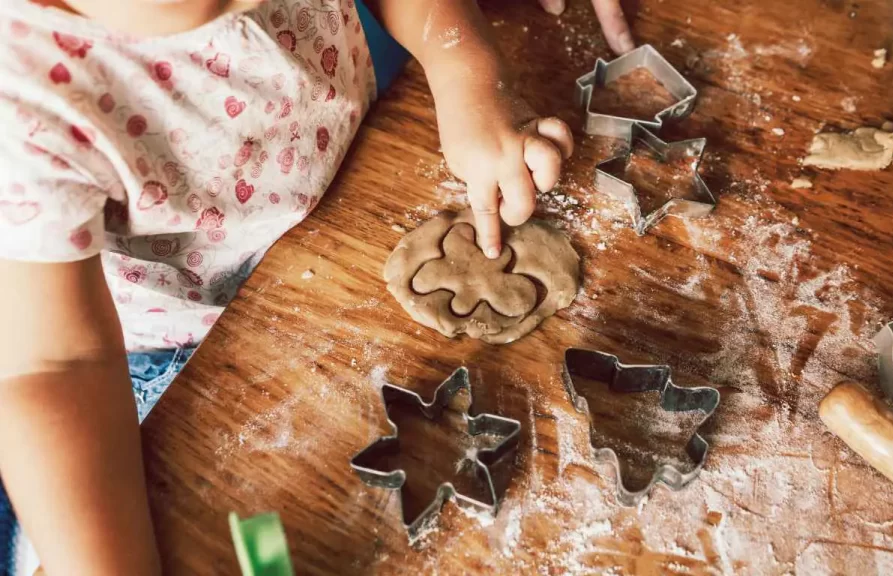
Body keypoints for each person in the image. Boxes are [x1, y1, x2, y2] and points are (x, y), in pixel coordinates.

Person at [0, 0, 633, 574]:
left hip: (347, 188)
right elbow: (55, 367)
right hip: (176, 349)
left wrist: (464, 68)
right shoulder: (23, 106)